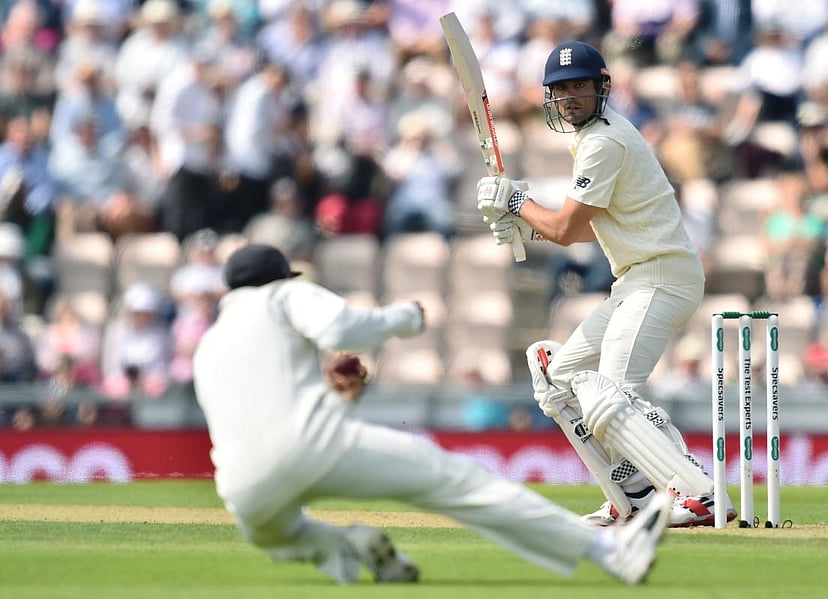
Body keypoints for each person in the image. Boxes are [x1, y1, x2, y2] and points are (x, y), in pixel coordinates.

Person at [192, 243, 672, 586]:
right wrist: (406, 318)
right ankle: (613, 552)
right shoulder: (281, 294)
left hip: (243, 490)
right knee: (462, 485)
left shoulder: (208, 345)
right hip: (314, 446)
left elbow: (262, 421)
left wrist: (338, 399)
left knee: (285, 536)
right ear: (277, 279)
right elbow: (340, 327)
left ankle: (350, 549)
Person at [476, 41, 734, 528]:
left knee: (613, 392)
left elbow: (569, 231)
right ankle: (630, 495)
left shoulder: (603, 141)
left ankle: (698, 493)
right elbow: (592, 221)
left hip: (662, 277)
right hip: (635, 280)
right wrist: (523, 220)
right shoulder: (592, 139)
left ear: (602, 89)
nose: (571, 97)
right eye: (561, 89)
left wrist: (515, 204)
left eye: (580, 86)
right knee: (557, 378)